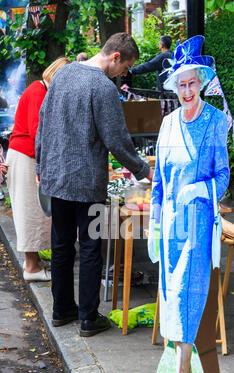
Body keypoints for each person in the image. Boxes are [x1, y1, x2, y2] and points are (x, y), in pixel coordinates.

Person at [35, 32, 154, 337]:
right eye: (125, 68)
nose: (124, 74)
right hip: (87, 182)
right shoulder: (103, 87)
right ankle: (89, 318)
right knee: (90, 248)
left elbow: (43, 120)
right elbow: (116, 139)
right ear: (115, 57)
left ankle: (61, 310)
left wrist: (40, 163)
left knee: (61, 246)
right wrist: (143, 170)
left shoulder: (63, 74)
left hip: (57, 178)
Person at [148, 36, 230, 373]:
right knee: (172, 305)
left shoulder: (214, 121)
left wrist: (203, 188)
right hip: (171, 230)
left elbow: (225, 175)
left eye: (191, 83)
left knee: (185, 301)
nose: (185, 91)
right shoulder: (166, 125)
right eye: (180, 84)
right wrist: (154, 221)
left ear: (202, 82)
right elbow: (160, 183)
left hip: (198, 226)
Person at [6, 57, 71, 282]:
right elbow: (38, 132)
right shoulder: (38, 92)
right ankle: (31, 268)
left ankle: (32, 262)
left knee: (33, 211)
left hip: (25, 155)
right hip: (25, 156)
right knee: (31, 213)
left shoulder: (38, 89)